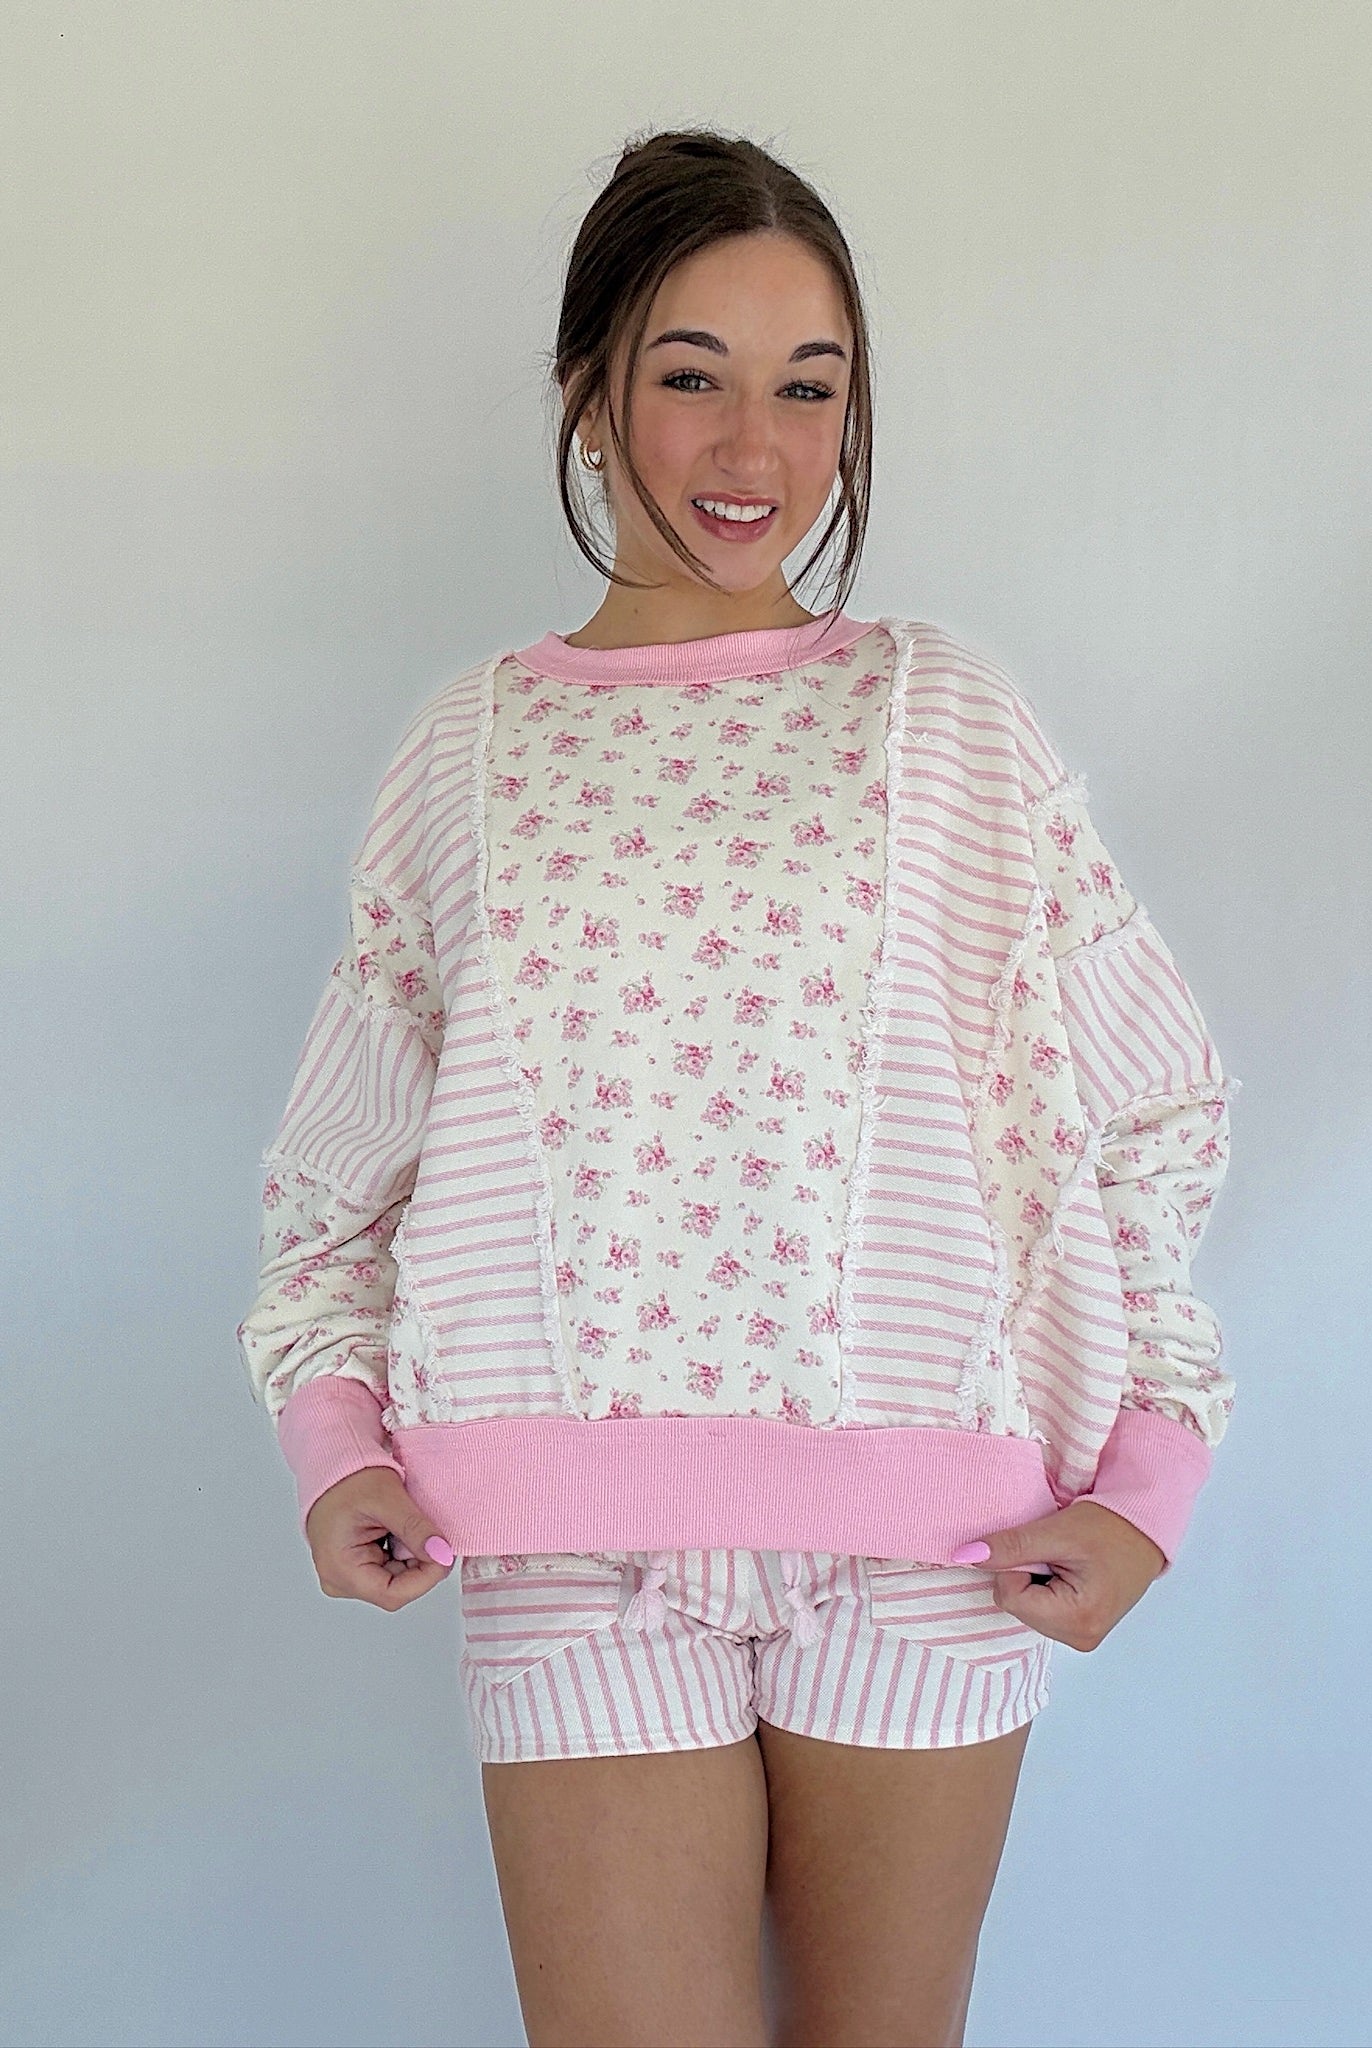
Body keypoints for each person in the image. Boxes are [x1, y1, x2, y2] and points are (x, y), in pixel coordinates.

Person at [236, 127, 1241, 2048]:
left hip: (936, 1550)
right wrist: (336, 1433)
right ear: (587, 394)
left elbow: (1149, 1098)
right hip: (567, 1542)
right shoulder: (467, 749)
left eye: (812, 384)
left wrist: (1158, 1476)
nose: (751, 448)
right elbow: (343, 1156)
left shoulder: (943, 713)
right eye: (690, 374)